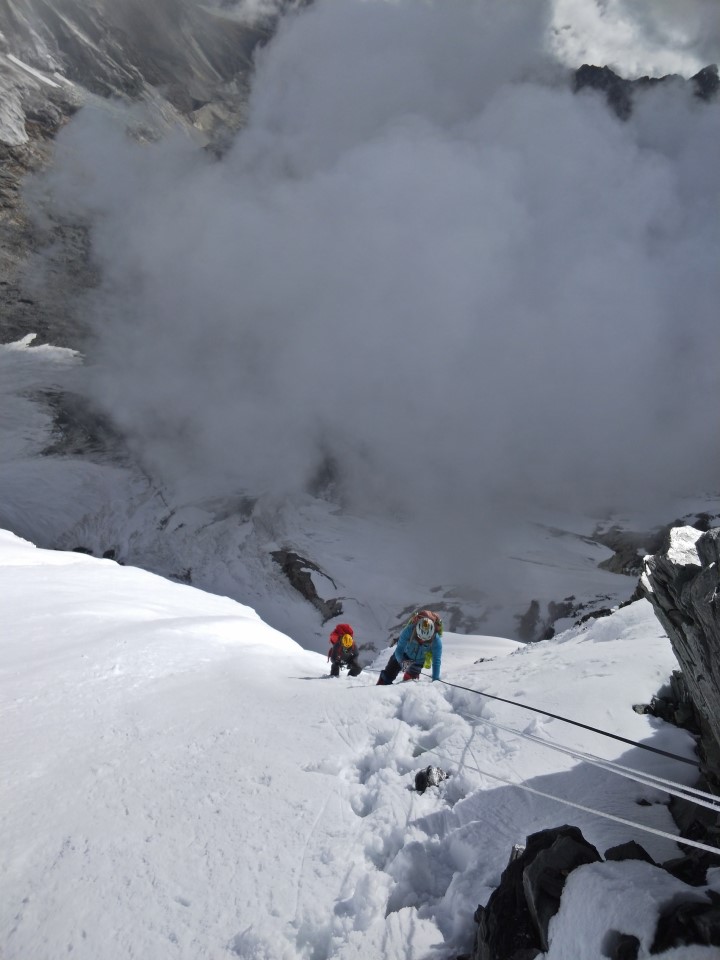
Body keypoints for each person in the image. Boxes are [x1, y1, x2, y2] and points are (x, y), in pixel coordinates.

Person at [377, 610, 443, 684]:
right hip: (402, 655)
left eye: (425, 639)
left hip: (418, 661)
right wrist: (401, 661)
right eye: (419, 637)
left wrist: (435, 679)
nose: (422, 640)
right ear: (417, 630)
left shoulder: (436, 641)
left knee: (409, 683)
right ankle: (382, 684)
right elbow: (399, 650)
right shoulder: (408, 630)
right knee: (387, 676)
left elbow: (436, 661)